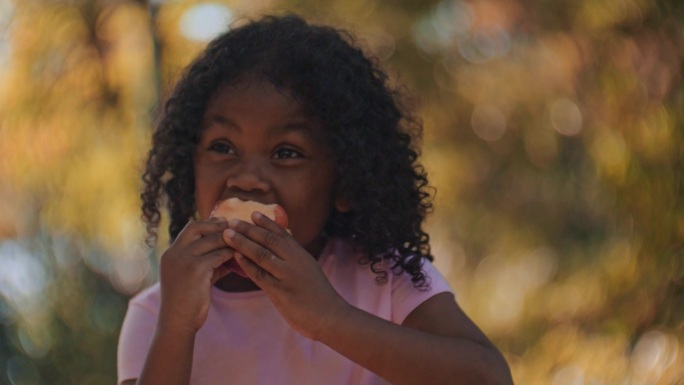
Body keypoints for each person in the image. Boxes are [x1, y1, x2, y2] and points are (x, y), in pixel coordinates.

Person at [117, 14, 513, 385]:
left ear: (344, 184)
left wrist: (328, 318)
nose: (247, 179)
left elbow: (489, 376)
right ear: (190, 167)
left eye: (286, 152)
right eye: (223, 146)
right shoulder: (157, 313)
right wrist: (176, 327)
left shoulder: (384, 276)